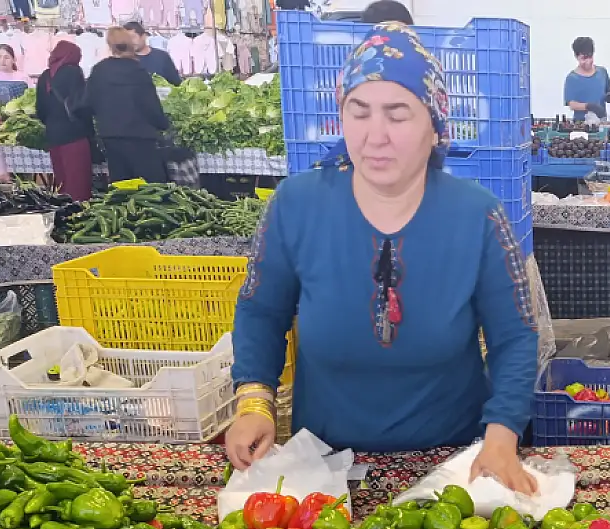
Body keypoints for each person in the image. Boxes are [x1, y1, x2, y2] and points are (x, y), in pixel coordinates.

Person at [227, 24, 540, 493]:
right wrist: (254, 401)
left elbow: (515, 336)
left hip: (452, 468)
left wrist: (502, 434)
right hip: (325, 465)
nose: (376, 136)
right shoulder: (297, 204)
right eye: (360, 112)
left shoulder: (477, 216)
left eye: (398, 115)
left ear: (434, 126)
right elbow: (260, 310)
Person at [87, 27, 170, 183]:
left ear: (110, 45)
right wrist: (163, 124)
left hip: (111, 137)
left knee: (121, 186)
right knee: (150, 188)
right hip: (141, 137)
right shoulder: (138, 71)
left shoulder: (99, 71)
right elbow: (150, 105)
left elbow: (89, 103)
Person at [36, 39, 93, 200]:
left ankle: (65, 216)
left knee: (62, 183)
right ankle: (79, 218)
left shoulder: (44, 76)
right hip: (74, 136)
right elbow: (82, 106)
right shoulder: (74, 72)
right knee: (78, 185)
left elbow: (40, 110)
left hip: (53, 135)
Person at [563, 37, 610, 122]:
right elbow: (572, 105)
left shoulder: (602, 72)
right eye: (584, 58)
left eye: (590, 56)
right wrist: (589, 106)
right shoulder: (572, 79)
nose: (588, 61)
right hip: (581, 125)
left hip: (602, 123)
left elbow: (608, 91)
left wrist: (609, 97)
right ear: (576, 56)